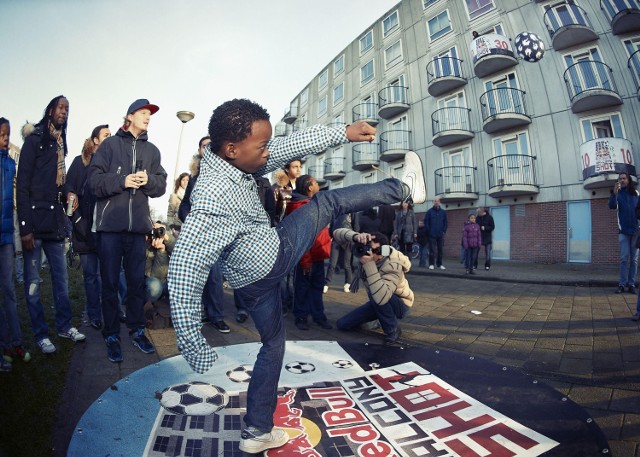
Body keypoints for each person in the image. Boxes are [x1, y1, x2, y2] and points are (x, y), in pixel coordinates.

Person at [168, 98, 425, 454]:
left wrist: (343, 133)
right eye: (261, 148)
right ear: (232, 149)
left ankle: (257, 430)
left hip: (250, 285)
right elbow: (184, 269)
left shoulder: (235, 159)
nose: (267, 155)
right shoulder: (212, 197)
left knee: (273, 344)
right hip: (273, 256)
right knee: (327, 203)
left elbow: (287, 146)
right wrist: (193, 345)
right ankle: (404, 188)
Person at [88, 98, 167, 363]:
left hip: (137, 231)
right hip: (110, 229)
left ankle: (136, 330)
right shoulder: (110, 146)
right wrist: (122, 181)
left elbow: (161, 185)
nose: (148, 117)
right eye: (144, 113)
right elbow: (93, 182)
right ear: (130, 116)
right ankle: (111, 335)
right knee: (109, 284)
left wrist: (150, 180)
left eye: (150, 114)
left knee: (136, 284)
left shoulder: (153, 151)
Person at [16, 95, 86, 354]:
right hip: (35, 223)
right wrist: (24, 227)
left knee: (61, 280)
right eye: (60, 107)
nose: (64, 112)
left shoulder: (60, 145)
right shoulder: (34, 141)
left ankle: (64, 326)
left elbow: (61, 181)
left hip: (56, 223)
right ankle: (40, 334)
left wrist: (70, 192)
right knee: (33, 283)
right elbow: (22, 186)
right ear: (49, 110)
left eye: (68, 108)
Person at [178, 136, 230, 333]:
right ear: (199, 150)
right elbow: (183, 206)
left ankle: (216, 316)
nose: (207, 149)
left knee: (216, 277)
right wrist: (189, 219)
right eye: (203, 146)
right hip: (196, 234)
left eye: (211, 145)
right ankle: (199, 314)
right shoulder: (193, 179)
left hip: (215, 234)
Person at [66, 124, 111, 330]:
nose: (109, 138)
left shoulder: (109, 164)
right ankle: (94, 314)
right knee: (91, 277)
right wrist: (75, 221)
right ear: (95, 140)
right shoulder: (79, 162)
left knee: (109, 275)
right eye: (105, 135)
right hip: (83, 230)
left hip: (104, 231)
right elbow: (69, 191)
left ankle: (113, 311)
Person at [335, 230, 413, 344]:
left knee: (375, 291)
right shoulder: (366, 253)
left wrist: (369, 265)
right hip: (377, 301)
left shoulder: (393, 264)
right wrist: (356, 237)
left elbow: (382, 297)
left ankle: (393, 329)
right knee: (343, 324)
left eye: (373, 250)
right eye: (367, 248)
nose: (367, 252)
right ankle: (380, 318)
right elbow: (336, 234)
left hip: (400, 303)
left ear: (383, 251)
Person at [0, 118, 30, 365]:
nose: (5, 140)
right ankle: (3, 346)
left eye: (7, 135)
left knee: (9, 290)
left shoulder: (10, 164)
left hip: (6, 236)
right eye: (1, 135)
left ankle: (15, 342)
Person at [286, 175, 332, 330]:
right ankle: (301, 316)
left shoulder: (311, 203)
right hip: (306, 256)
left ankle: (318, 315)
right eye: (315, 183)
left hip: (317, 254)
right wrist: (305, 261)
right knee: (303, 287)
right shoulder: (301, 206)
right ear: (309, 187)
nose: (318, 185)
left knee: (316, 287)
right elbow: (301, 237)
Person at [608, 172, 639, 295]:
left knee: (634, 260)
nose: (622, 180)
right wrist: (614, 193)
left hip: (636, 231)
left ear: (628, 180)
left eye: (624, 178)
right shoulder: (617, 194)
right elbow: (611, 206)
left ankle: (631, 284)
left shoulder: (636, 194)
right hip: (623, 232)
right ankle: (622, 284)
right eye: (620, 179)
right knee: (623, 258)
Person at [144, 222, 175, 326]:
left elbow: (180, 251)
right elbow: (154, 276)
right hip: (152, 281)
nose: (158, 233)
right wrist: (161, 251)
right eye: (155, 230)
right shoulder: (147, 246)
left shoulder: (168, 242)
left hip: (167, 282)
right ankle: (148, 309)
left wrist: (167, 238)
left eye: (161, 230)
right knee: (155, 285)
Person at [324, 212, 354, 294]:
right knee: (332, 263)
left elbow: (356, 226)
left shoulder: (352, 212)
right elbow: (331, 227)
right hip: (337, 238)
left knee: (346, 264)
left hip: (347, 238)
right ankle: (326, 284)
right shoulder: (337, 212)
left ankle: (348, 283)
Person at [424, 196, 448, 270]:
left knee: (440, 250)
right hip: (432, 234)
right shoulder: (429, 212)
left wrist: (444, 230)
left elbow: (446, 222)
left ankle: (439, 264)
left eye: (437, 201)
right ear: (433, 202)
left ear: (440, 202)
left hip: (440, 234)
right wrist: (429, 231)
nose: (436, 202)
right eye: (435, 201)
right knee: (432, 250)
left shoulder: (443, 212)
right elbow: (426, 222)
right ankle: (431, 264)